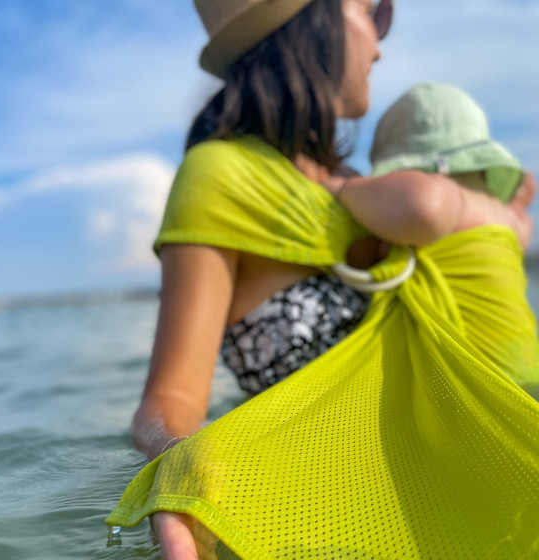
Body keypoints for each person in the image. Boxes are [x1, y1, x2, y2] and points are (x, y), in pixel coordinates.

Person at [112, 1, 536, 559]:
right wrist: (181, 467)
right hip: (320, 513)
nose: (382, 43)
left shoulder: (368, 191)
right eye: (371, 12)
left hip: (467, 483)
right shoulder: (221, 175)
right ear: (316, 20)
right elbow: (170, 398)